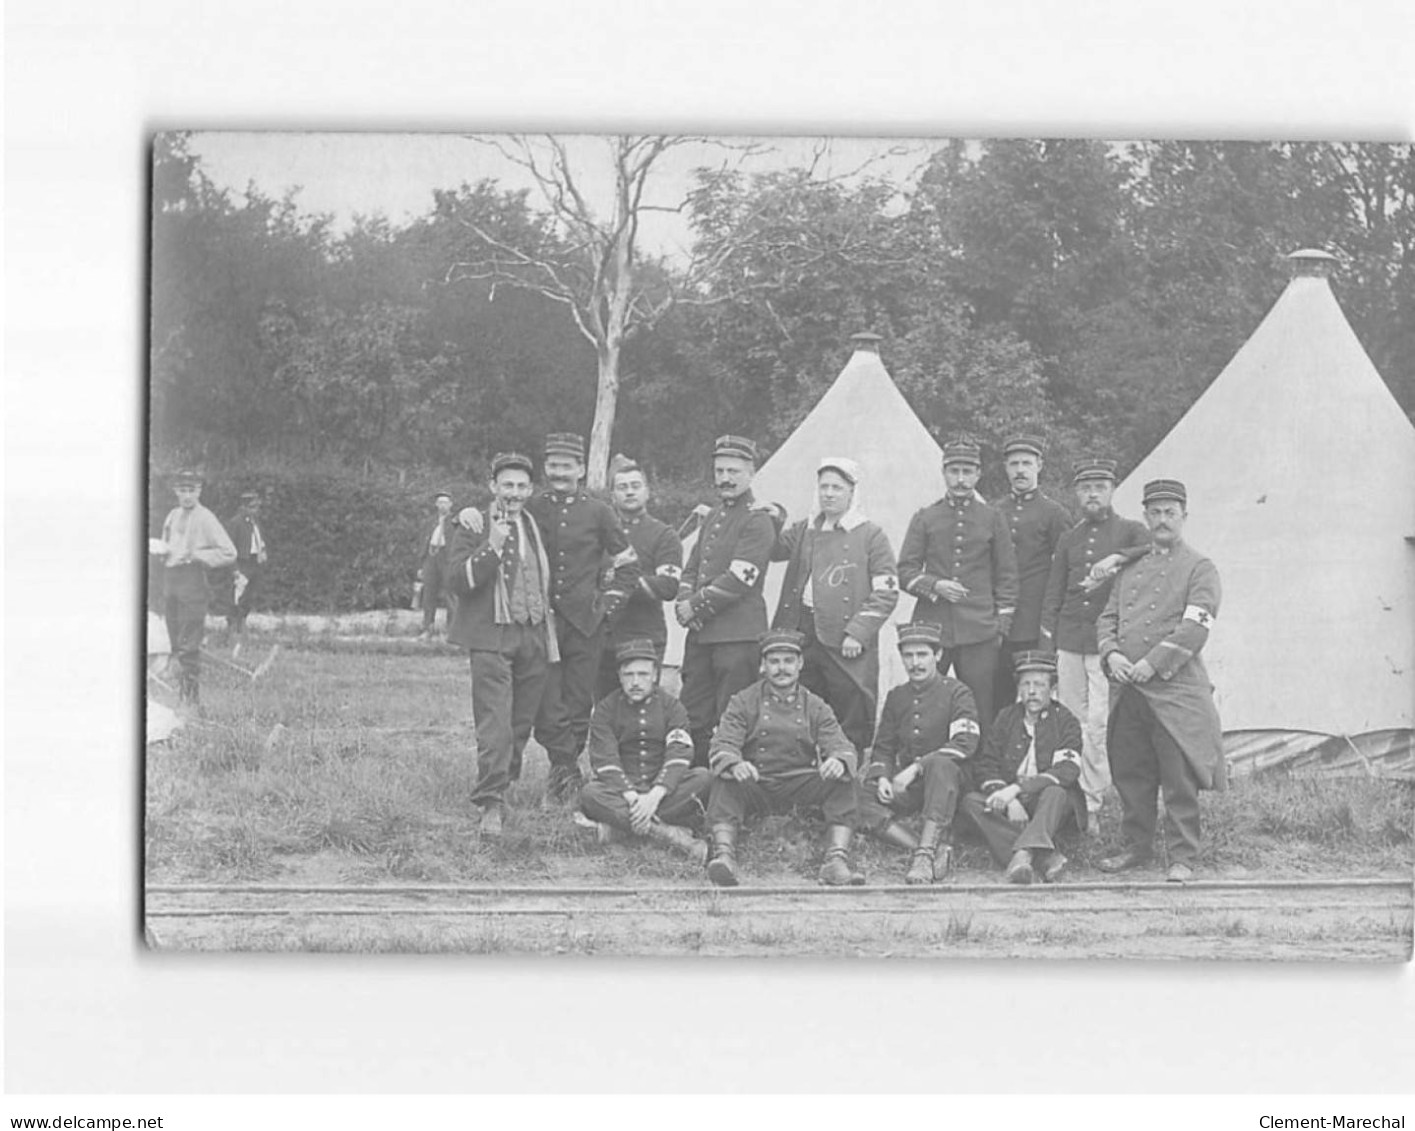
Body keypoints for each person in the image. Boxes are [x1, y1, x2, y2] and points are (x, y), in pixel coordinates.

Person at [458, 433, 638, 800]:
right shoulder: (531, 507)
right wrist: (468, 512)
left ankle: (566, 779)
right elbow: (496, 514)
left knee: (576, 704)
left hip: (585, 625)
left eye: (567, 466)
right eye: (553, 465)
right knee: (543, 704)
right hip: (542, 626)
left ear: (582, 469)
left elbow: (627, 564)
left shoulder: (599, 511)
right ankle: (536, 772)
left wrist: (608, 606)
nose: (559, 473)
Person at [1096, 479, 1224, 883]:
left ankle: (1183, 855)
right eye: (1155, 512)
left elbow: (1195, 627)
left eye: (1171, 512)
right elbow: (1106, 619)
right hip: (1128, 690)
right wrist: (1111, 653)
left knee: (1178, 778)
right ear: (1146, 516)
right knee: (1132, 773)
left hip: (1175, 692)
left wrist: (1152, 663)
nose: (1162, 519)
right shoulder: (1129, 569)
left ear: (1184, 516)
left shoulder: (1200, 568)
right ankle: (1137, 848)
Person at [446, 452, 557, 837]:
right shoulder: (474, 523)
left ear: (530, 490)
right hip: (492, 635)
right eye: (506, 485)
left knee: (520, 722)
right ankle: (490, 801)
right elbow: (457, 580)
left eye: (521, 486)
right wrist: (491, 544)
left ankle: (504, 786)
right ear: (492, 486)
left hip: (534, 632)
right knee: (495, 724)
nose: (514, 493)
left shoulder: (534, 522)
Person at [1039, 457, 1150, 827]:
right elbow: (1053, 592)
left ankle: (1094, 801)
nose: (1092, 494)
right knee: (1071, 719)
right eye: (1086, 488)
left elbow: (1151, 546)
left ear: (1113, 490)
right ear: (1076, 493)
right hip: (1070, 637)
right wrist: (1048, 640)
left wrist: (1117, 558)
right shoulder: (1070, 538)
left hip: (1106, 643)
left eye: (1099, 487)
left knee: (1099, 723)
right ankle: (1071, 794)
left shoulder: (1130, 530)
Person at [704, 630, 864, 887]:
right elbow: (722, 743)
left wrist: (838, 760)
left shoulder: (815, 705)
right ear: (763, 665)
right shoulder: (743, 701)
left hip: (800, 783)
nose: (782, 668)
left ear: (800, 664)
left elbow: (841, 745)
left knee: (846, 781)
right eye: (774, 661)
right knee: (724, 780)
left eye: (788, 661)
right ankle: (724, 857)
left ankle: (835, 861)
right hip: (757, 782)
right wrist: (735, 763)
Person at [769, 456, 899, 753]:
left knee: (850, 705)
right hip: (802, 630)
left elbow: (887, 591)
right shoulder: (806, 529)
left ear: (852, 492)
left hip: (844, 638)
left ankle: (847, 769)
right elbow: (774, 550)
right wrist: (774, 517)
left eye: (837, 488)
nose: (828, 493)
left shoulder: (871, 535)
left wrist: (858, 631)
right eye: (824, 487)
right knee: (802, 703)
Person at [898, 436, 1019, 736]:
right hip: (931, 627)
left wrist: (1000, 626)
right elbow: (904, 571)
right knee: (924, 697)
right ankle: (922, 758)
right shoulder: (925, 517)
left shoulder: (993, 518)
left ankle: (980, 766)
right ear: (944, 473)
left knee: (979, 702)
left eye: (968, 472)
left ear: (978, 475)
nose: (961, 479)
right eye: (955, 471)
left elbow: (1007, 576)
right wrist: (935, 585)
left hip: (979, 628)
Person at [676, 435, 778, 766]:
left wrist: (696, 606)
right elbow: (692, 567)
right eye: (719, 470)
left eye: (734, 471)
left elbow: (740, 578)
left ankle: (733, 788)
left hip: (738, 636)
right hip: (702, 634)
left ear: (751, 473)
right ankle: (695, 784)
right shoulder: (715, 515)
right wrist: (683, 602)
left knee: (733, 717)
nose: (725, 478)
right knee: (693, 712)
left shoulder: (758, 518)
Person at [857, 623, 981, 884]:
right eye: (908, 656)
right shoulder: (897, 696)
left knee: (940, 764)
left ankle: (923, 858)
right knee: (855, 795)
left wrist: (916, 768)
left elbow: (965, 742)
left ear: (937, 656)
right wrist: (881, 777)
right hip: (911, 789)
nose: (915, 663)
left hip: (949, 784)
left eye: (922, 655)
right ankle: (924, 848)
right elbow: (884, 747)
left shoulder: (958, 692)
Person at [578, 638, 713, 864]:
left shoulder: (672, 707)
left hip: (663, 793)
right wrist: (632, 797)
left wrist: (654, 796)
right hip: (622, 793)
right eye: (629, 675)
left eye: (643, 674)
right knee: (591, 793)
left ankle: (617, 829)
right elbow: (605, 759)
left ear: (654, 676)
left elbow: (679, 754)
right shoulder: (606, 709)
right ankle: (671, 835)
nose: (636, 682)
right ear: (619, 677)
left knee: (704, 778)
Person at [960, 651, 1086, 884]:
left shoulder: (1066, 721)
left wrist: (1016, 790)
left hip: (1048, 803)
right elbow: (986, 764)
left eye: (1039, 684)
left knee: (1056, 792)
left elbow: (1066, 770)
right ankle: (1045, 857)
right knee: (971, 802)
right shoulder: (1006, 717)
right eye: (1025, 684)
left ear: (1052, 689)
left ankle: (1023, 854)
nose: (1032, 691)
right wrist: (1010, 800)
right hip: (1011, 801)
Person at [992, 435, 1071, 711]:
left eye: (1027, 463)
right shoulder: (995, 511)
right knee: (997, 692)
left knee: (1035, 691)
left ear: (1040, 465)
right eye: (1014, 464)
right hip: (999, 620)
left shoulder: (1054, 513)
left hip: (1033, 618)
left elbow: (1066, 567)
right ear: (1006, 468)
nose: (1020, 470)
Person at [595, 456, 683, 700]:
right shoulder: (598, 534)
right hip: (603, 636)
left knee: (642, 712)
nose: (630, 492)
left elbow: (668, 586)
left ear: (647, 492)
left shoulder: (664, 535)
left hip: (644, 636)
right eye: (622, 488)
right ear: (612, 495)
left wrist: (620, 583)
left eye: (636, 486)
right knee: (604, 708)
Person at [150, 470, 237, 706]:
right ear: (176, 492)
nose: (187, 496)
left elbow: (229, 552)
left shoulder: (206, 518)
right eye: (182, 490)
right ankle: (181, 695)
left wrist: (196, 555)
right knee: (174, 641)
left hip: (192, 580)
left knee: (190, 642)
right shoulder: (172, 515)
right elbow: (167, 544)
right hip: (171, 579)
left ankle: (191, 700)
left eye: (192, 490)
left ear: (199, 491)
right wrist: (161, 551)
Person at [224, 489, 268, 657]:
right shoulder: (235, 523)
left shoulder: (255, 523)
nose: (255, 510)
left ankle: (242, 625)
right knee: (237, 595)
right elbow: (229, 547)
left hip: (254, 562)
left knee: (250, 595)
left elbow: (259, 541)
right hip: (242, 563)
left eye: (257, 507)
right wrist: (234, 569)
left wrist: (263, 552)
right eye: (252, 507)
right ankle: (232, 631)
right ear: (243, 507)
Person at [416, 491, 458, 641]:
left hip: (447, 560)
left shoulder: (455, 521)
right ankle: (428, 628)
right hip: (431, 557)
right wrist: (421, 565)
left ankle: (451, 632)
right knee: (429, 594)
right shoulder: (430, 522)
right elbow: (423, 542)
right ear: (436, 505)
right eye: (440, 502)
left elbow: (460, 543)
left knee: (450, 595)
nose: (442, 505)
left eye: (445, 502)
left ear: (451, 504)